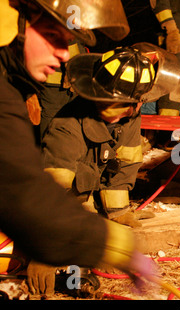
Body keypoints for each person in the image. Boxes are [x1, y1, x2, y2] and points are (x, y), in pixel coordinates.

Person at [0, 0, 158, 296]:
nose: (62, 55)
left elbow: (124, 166)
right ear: (12, 24)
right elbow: (28, 190)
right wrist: (47, 248)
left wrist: (119, 217)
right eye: (52, 35)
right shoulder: (64, 124)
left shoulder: (8, 89)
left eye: (68, 42)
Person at [42, 45, 158, 228]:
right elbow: (55, 185)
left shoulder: (130, 116)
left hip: (94, 192)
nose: (132, 112)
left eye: (135, 103)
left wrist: (118, 211)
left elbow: (125, 165)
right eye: (122, 106)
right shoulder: (67, 125)